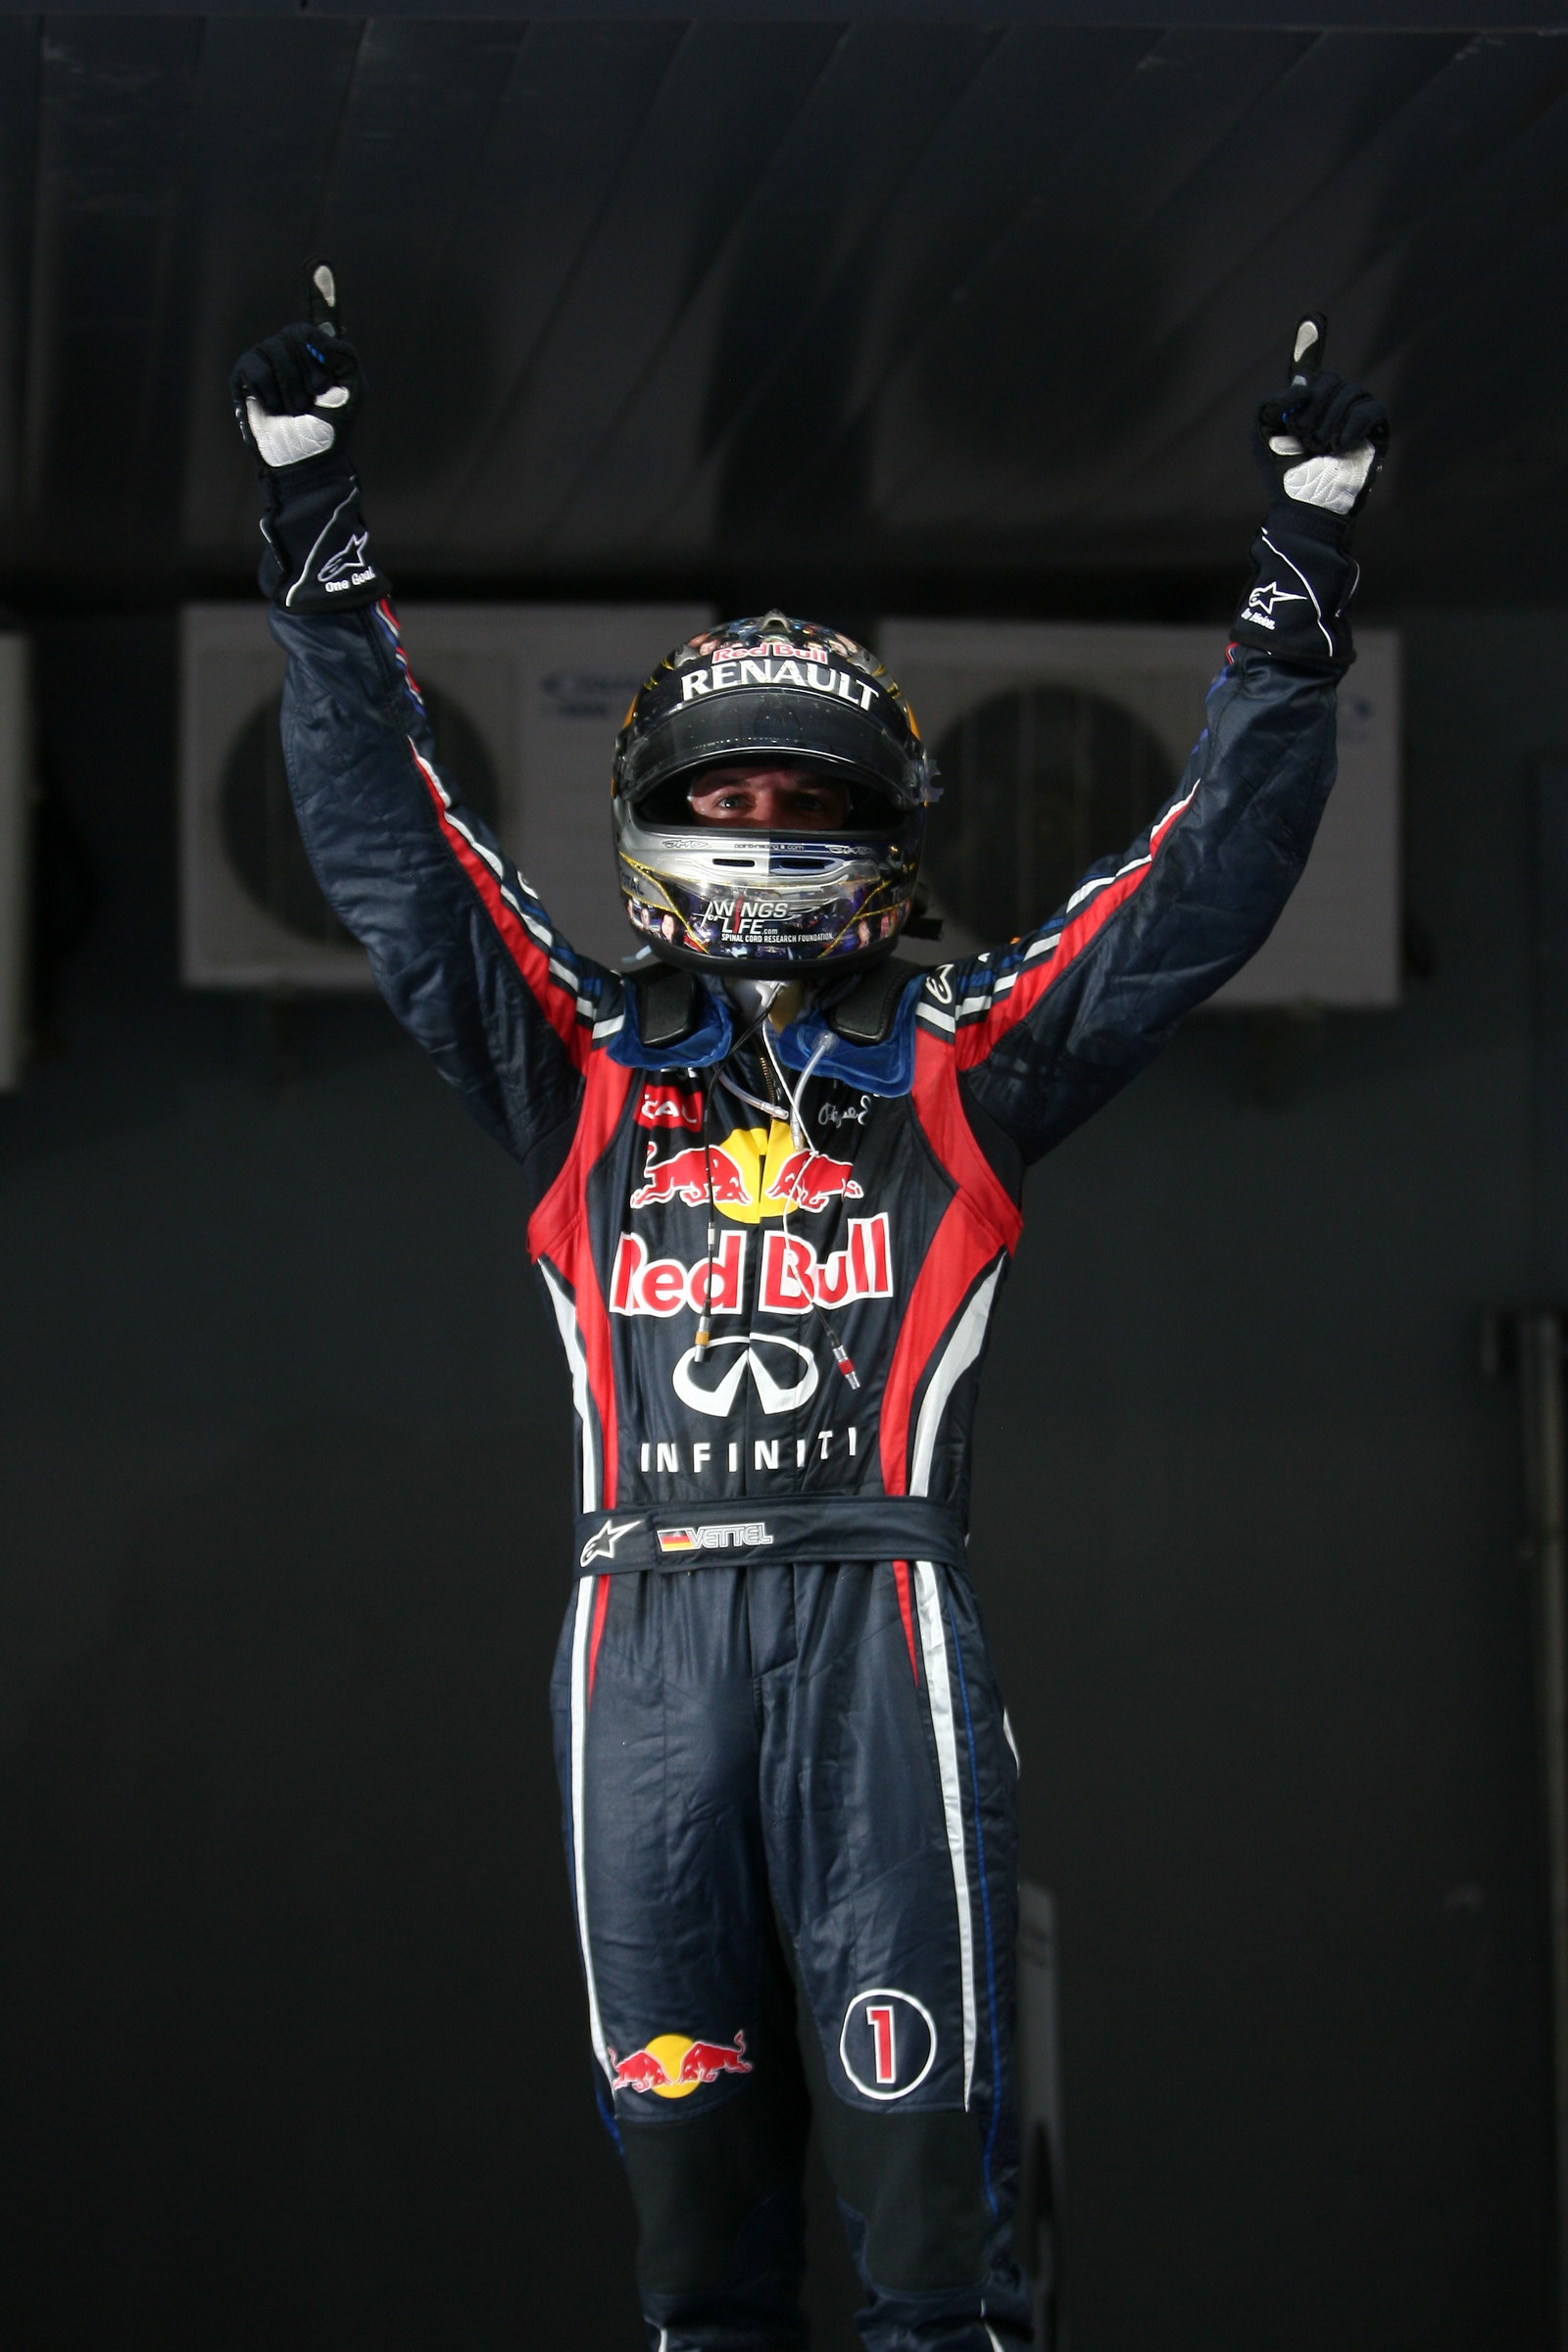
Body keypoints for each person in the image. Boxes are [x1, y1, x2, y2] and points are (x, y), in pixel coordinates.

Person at [231, 302, 1386, 2351]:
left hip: (879, 1632)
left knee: (935, 2254)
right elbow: (395, 856)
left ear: (883, 833)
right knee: (696, 2265)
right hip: (641, 1651)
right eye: (730, 792)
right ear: (656, 815)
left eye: (804, 797)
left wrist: (1301, 556)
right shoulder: (578, 1065)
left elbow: (1198, 889)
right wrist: (311, 511)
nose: (764, 829)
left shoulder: (960, 1061)